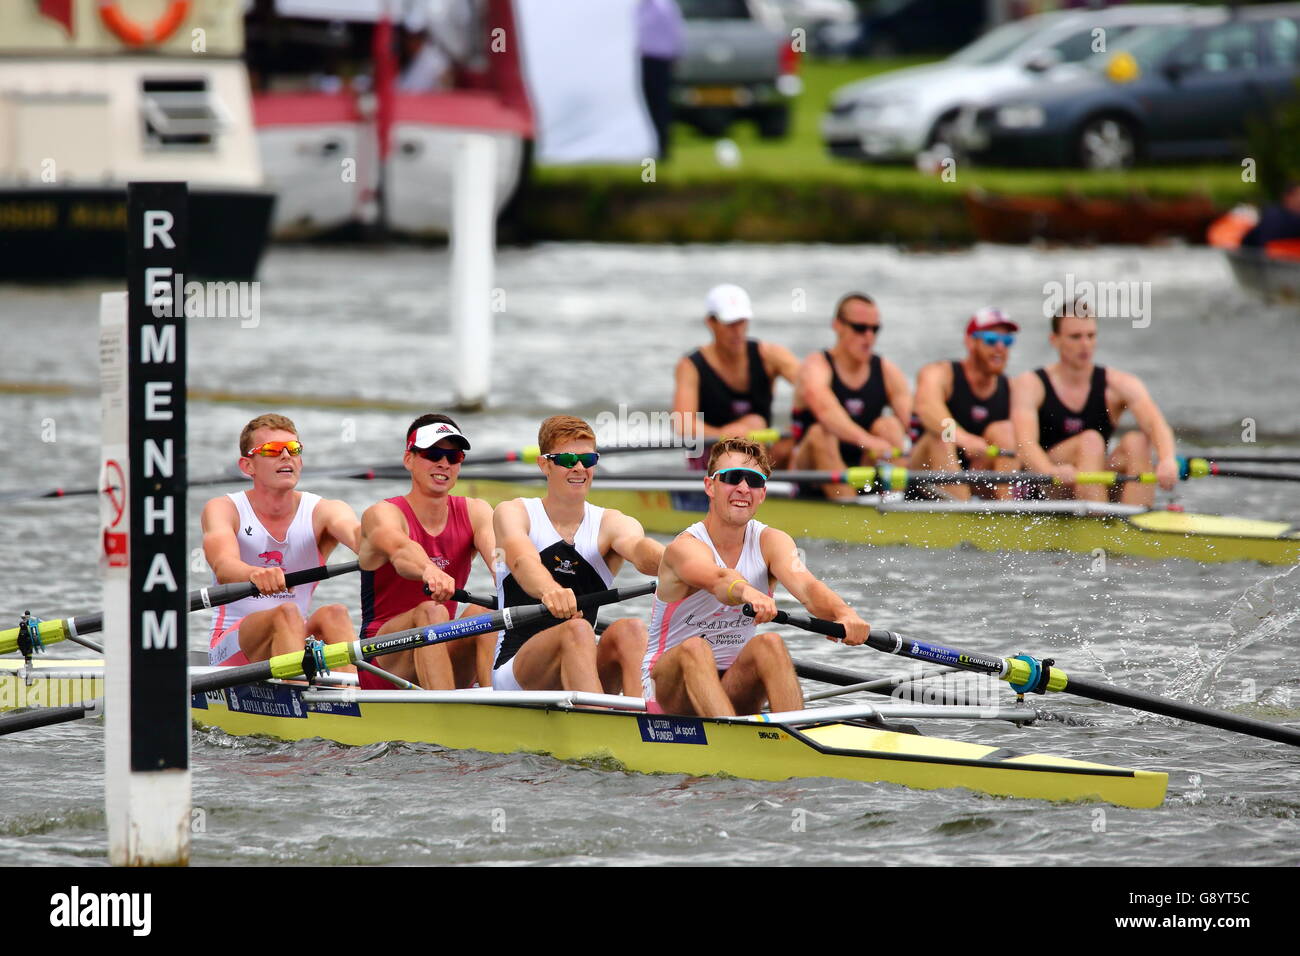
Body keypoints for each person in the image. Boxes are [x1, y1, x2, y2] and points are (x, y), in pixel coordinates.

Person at [642, 436, 869, 717]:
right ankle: (732, 743)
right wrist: (747, 591)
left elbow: (808, 588)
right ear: (709, 486)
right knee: (695, 649)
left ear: (762, 493)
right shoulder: (685, 547)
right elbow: (718, 579)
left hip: (731, 686)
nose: (743, 488)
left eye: (754, 481)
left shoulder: (772, 541)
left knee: (770, 644)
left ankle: (795, 739)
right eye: (732, 478)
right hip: (668, 690)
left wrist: (845, 613)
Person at [492, 415, 663, 696]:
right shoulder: (514, 512)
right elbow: (522, 561)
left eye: (589, 460)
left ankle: (646, 725)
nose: (580, 468)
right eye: (568, 460)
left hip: (579, 660)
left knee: (631, 628)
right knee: (579, 630)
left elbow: (641, 551)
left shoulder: (612, 522)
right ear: (544, 464)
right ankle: (597, 720)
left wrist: (676, 563)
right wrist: (550, 591)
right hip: (517, 671)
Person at [202, 414, 359, 669]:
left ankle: (354, 697)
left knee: (335, 613)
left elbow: (360, 538)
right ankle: (300, 695)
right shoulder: (224, 508)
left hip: (292, 637)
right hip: (230, 647)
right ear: (247, 466)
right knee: (286, 613)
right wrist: (255, 573)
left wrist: (390, 545)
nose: (286, 456)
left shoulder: (325, 510)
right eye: (273, 450)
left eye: (294, 449)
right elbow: (223, 564)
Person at [356, 414, 497, 690]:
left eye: (453, 456)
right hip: (383, 658)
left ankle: (502, 707)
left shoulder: (477, 511)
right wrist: (429, 570)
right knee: (432, 611)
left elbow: (500, 558)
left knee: (484, 612)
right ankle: (447, 715)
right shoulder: (381, 513)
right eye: (433, 454)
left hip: (439, 646)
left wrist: (522, 583)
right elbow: (401, 550)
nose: (443, 463)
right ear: (409, 459)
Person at [1010, 306, 1178, 506]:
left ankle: (1136, 522)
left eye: (1090, 336)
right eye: (1075, 337)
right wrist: (1050, 470)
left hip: (1092, 478)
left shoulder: (1119, 385)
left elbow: (1155, 423)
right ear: (1054, 340)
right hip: (1050, 483)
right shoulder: (1031, 384)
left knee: (1138, 442)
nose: (1085, 344)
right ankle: (1099, 523)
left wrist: (1167, 459)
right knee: (1090, 441)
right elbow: (1024, 446)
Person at [790, 293, 912, 498]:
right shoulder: (816, 366)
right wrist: (867, 440)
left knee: (889, 426)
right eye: (860, 328)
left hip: (863, 467)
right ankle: (850, 513)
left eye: (875, 329)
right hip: (811, 474)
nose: (869, 336)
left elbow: (914, 423)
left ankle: (896, 505)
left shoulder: (887, 371)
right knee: (820, 433)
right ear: (837, 325)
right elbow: (825, 409)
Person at [673, 283, 800, 468]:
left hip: (759, 449)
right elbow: (683, 425)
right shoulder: (691, 366)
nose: (738, 331)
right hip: (713, 453)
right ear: (711, 322)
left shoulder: (770, 356)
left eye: (742, 321)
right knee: (754, 423)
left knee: (811, 435)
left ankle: (838, 494)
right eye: (730, 323)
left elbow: (813, 389)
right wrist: (725, 434)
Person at [909, 307, 1021, 500]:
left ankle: (1008, 514)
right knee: (942, 436)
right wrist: (962, 438)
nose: (1000, 348)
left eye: (1007, 341)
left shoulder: (1011, 388)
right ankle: (963, 516)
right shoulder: (940, 373)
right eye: (991, 340)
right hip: (924, 476)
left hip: (975, 477)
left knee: (1006, 432)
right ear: (970, 342)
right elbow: (926, 407)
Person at [638, 0, 685, 160]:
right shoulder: (640, 6)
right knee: (647, 106)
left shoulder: (664, 6)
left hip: (658, 61)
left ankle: (661, 149)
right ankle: (649, 149)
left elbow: (675, 32)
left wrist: (676, 56)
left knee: (658, 106)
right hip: (643, 60)